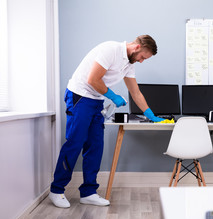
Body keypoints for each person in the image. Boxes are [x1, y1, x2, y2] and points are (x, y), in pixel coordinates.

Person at [49, 35, 165, 208]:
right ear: (137, 47)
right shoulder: (110, 50)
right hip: (80, 95)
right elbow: (93, 79)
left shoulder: (129, 64)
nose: (141, 61)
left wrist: (151, 115)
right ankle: (56, 190)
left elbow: (135, 92)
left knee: (95, 146)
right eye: (142, 57)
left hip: (96, 100)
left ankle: (88, 192)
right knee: (75, 142)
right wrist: (113, 96)